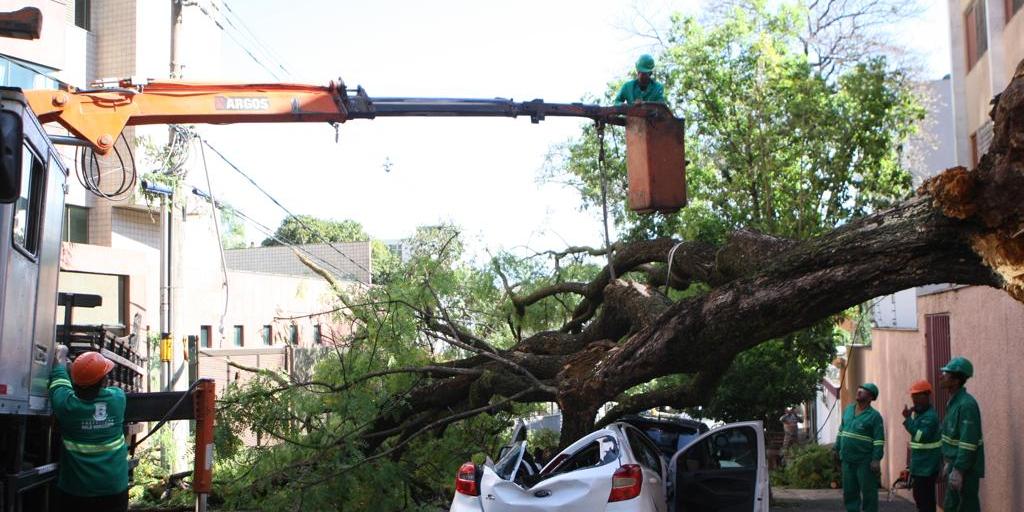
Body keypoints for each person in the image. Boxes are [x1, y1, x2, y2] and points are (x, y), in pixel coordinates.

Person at [49, 345, 129, 512]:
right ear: (104, 380)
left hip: (77, 493)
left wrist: (61, 353)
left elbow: (58, 381)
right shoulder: (117, 399)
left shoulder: (66, 406)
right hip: (114, 490)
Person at [938, 357, 984, 512]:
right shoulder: (955, 402)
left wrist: (959, 470)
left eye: (946, 373)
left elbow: (968, 442)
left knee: (966, 506)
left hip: (965, 469)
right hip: (955, 464)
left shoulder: (966, 405)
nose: (941, 376)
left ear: (956, 380)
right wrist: (948, 463)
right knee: (952, 506)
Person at [835, 383, 885, 512]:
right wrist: (836, 447)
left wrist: (876, 459)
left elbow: (879, 440)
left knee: (869, 493)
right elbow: (841, 430)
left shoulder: (874, 416)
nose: (859, 391)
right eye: (859, 389)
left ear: (870, 398)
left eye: (864, 391)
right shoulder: (848, 410)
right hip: (847, 460)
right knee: (850, 492)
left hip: (864, 461)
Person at [902, 380, 941, 512]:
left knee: (925, 501)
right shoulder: (920, 414)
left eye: (917, 397)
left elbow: (920, 437)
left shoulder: (930, 417)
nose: (914, 400)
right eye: (913, 397)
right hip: (920, 465)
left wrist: (908, 420)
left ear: (926, 396)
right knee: (919, 497)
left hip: (928, 466)